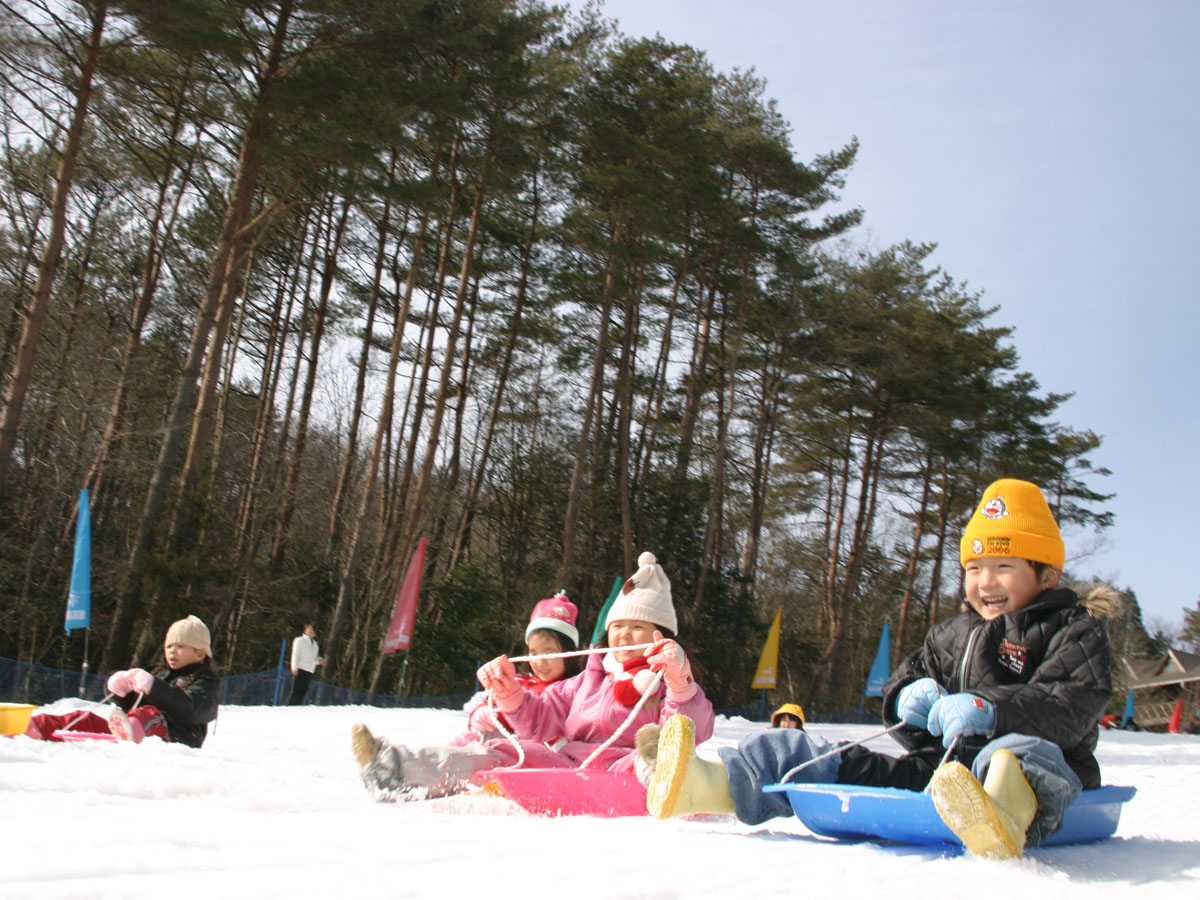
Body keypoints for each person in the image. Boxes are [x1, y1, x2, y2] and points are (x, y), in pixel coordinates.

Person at [644, 478, 1117, 860]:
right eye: (974, 568)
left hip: (1046, 769)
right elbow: (905, 688)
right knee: (808, 752)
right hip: (943, 774)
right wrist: (908, 697)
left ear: (1048, 574)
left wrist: (991, 710)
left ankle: (1002, 813)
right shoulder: (951, 634)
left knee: (1018, 754)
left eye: (1004, 566)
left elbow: (1071, 705)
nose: (985, 581)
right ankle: (707, 785)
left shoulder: (1074, 630)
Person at [350, 551, 715, 801]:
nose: (624, 635)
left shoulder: (667, 683)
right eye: (618, 626)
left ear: (661, 635)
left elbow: (692, 729)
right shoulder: (587, 680)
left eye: (638, 627)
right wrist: (510, 694)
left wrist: (679, 682)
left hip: (626, 764)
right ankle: (395, 769)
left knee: (650, 754)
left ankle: (663, 780)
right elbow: (540, 719)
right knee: (505, 750)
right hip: (570, 762)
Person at [23, 615, 221, 748]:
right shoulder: (157, 672)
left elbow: (194, 710)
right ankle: (36, 726)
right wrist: (121, 692)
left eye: (180, 647)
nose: (172, 652)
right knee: (85, 718)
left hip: (180, 738)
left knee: (149, 715)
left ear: (199, 653)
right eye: (169, 646)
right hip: (137, 730)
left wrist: (155, 688)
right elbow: (130, 708)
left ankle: (132, 731)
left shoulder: (205, 680)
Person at [452, 593, 582, 746]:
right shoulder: (519, 684)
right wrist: (485, 713)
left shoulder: (573, 690)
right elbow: (495, 705)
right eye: (534, 653)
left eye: (549, 653)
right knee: (462, 742)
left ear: (568, 653)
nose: (540, 662)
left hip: (541, 754)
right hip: (502, 749)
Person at [288, 624, 323, 705]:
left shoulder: (315, 645)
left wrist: (319, 660)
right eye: (309, 629)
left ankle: (298, 707)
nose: (311, 631)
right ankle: (291, 707)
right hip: (300, 668)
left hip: (309, 670)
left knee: (303, 691)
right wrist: (294, 667)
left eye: (313, 630)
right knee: (296, 690)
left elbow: (313, 659)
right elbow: (295, 654)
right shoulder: (300, 640)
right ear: (305, 630)